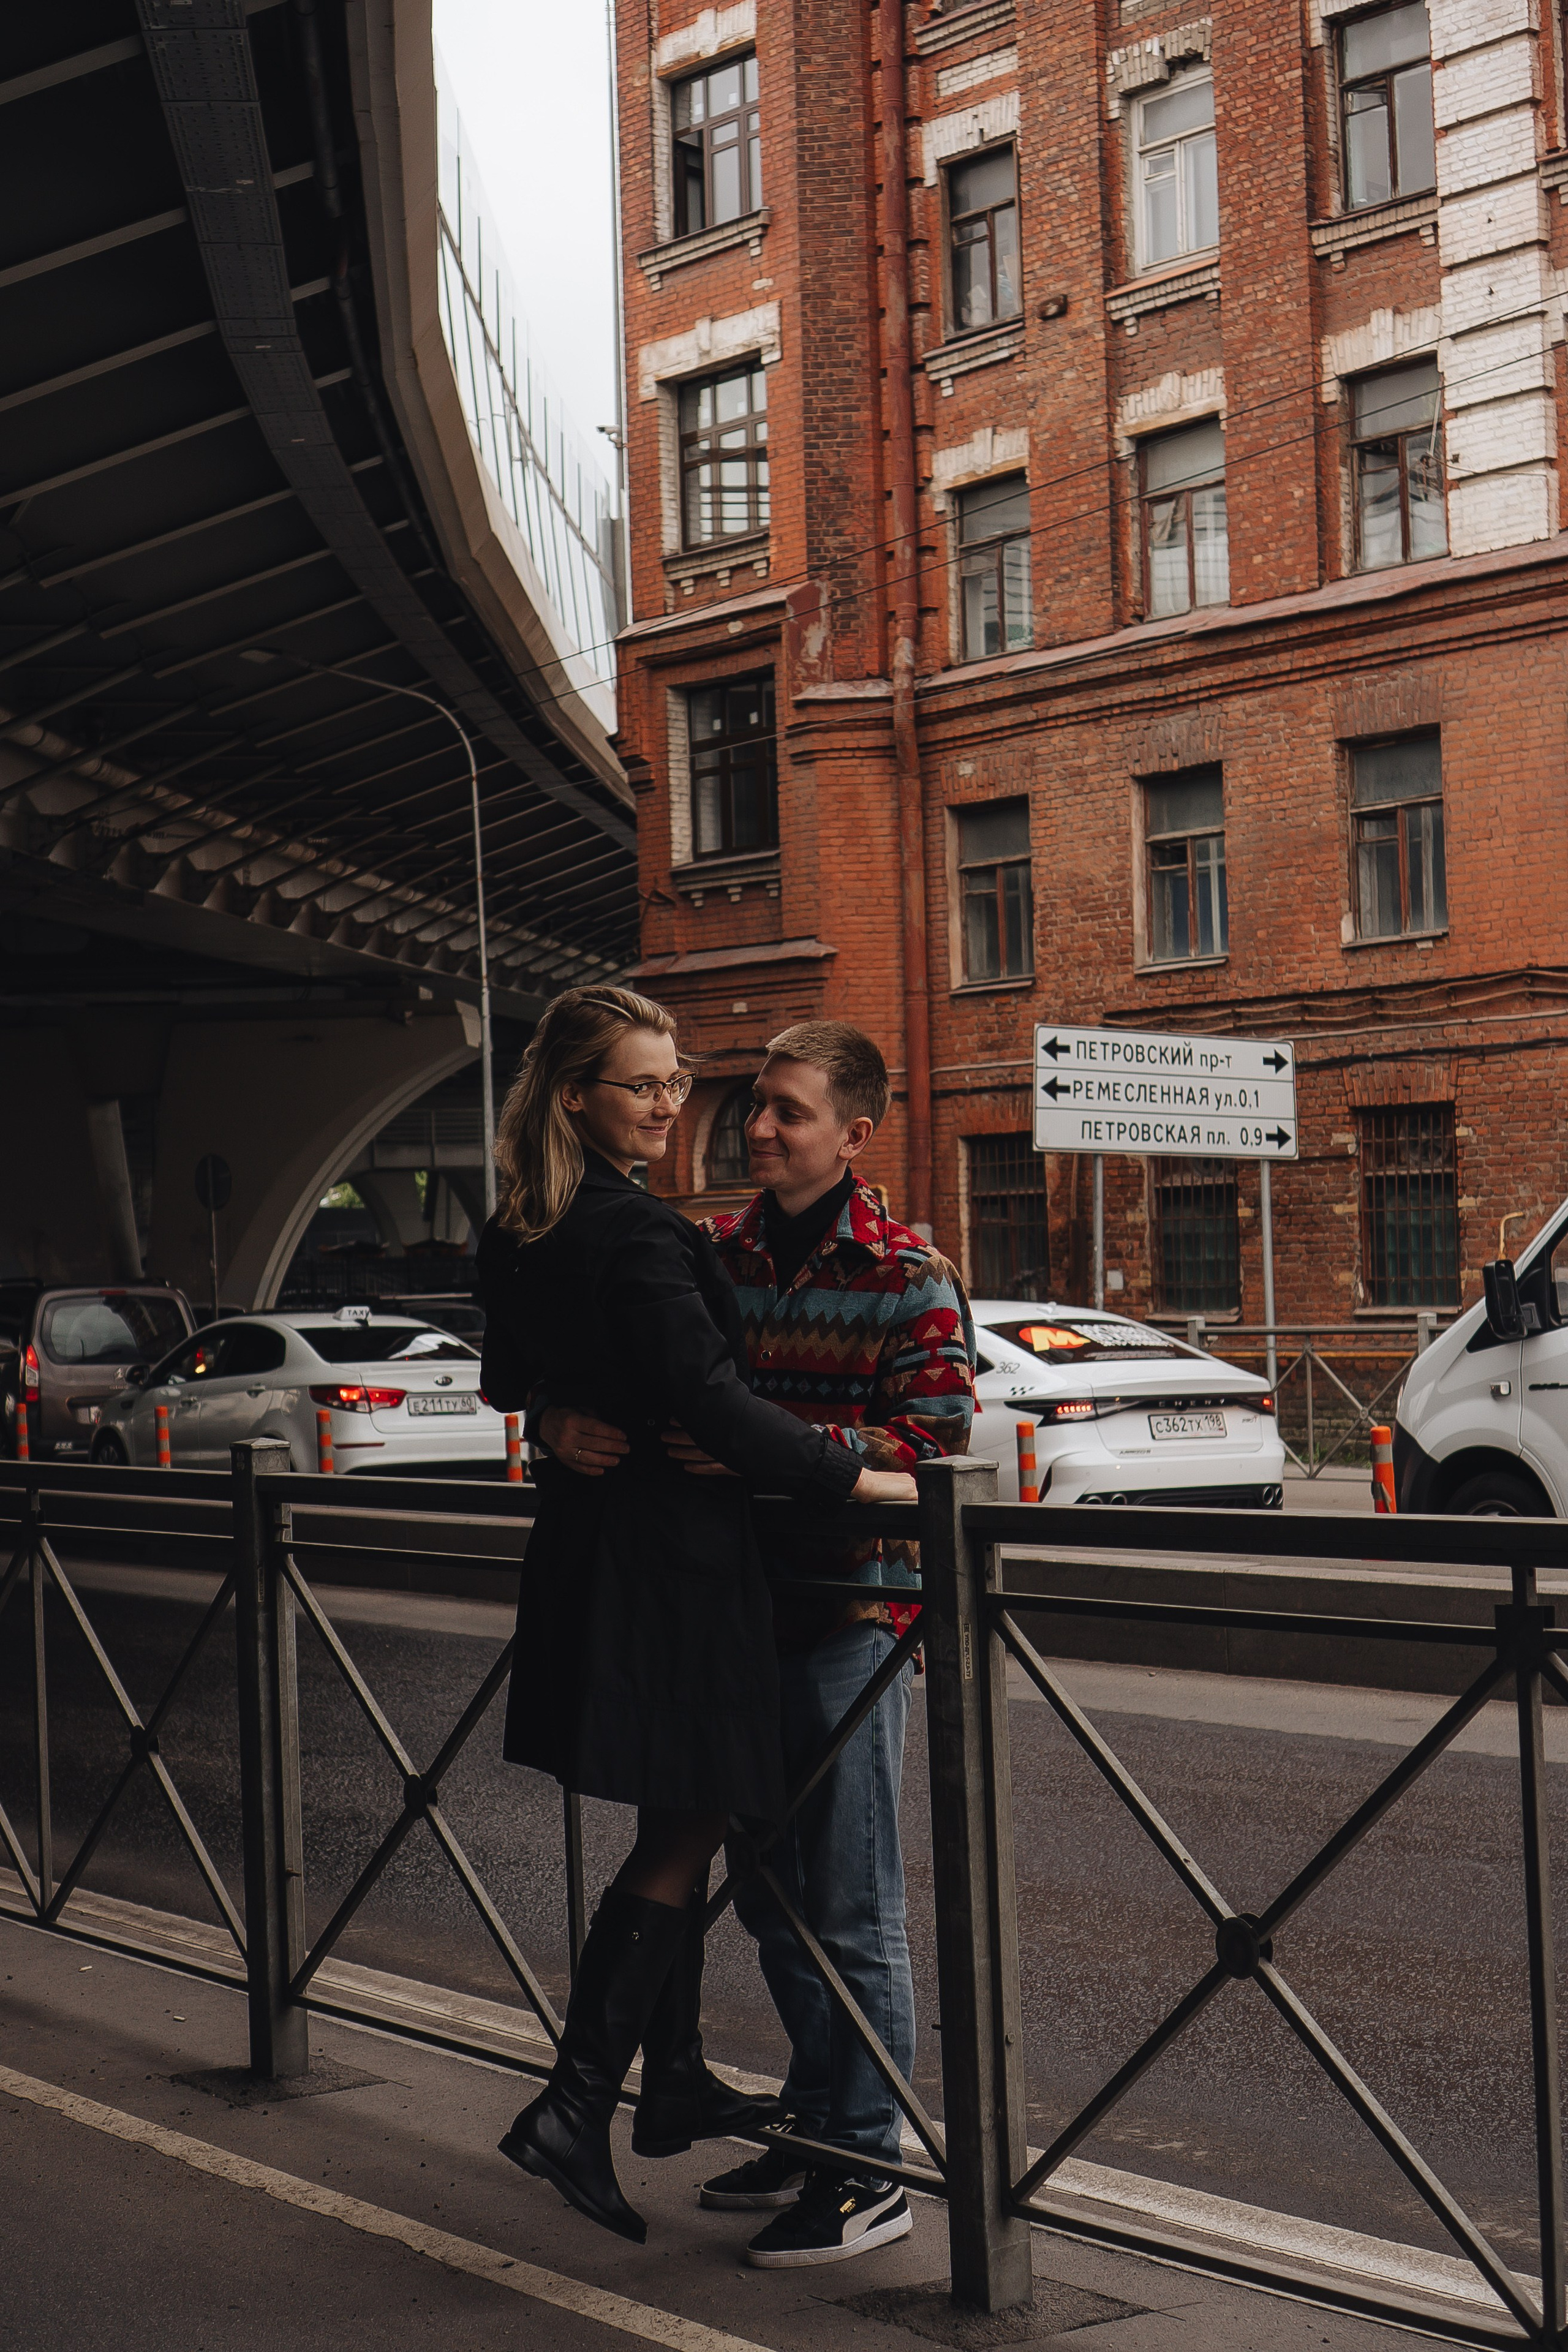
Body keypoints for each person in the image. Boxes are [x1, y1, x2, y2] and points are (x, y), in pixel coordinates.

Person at [476, 986, 915, 2250]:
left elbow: (514, 1369)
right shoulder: (656, 1239)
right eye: (646, 1085)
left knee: (703, 1819)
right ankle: (577, 2108)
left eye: (680, 1083)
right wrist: (870, 1480)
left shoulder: (524, 1220)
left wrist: (555, 1417)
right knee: (694, 1827)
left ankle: (668, 2084)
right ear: (577, 1097)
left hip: (620, 1564)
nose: (680, 1107)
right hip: (674, 1571)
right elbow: (713, 1412)